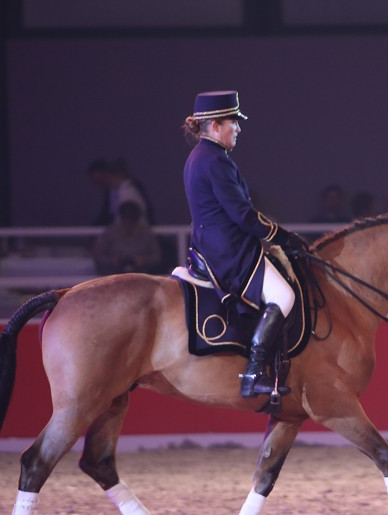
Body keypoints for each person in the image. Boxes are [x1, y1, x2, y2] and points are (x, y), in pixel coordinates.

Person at [182, 90, 307, 398]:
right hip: (228, 249)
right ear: (214, 126)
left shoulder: (200, 157)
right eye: (233, 122)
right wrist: (282, 236)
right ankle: (252, 374)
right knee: (284, 296)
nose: (238, 128)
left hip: (210, 243)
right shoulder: (215, 161)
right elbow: (242, 214)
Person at [93, 201, 162, 275]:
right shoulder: (110, 232)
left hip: (141, 275)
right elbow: (98, 255)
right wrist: (112, 260)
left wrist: (143, 260)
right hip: (114, 276)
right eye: (126, 221)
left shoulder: (146, 233)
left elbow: (157, 256)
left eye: (132, 222)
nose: (129, 226)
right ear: (122, 218)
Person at [88, 157, 155, 226]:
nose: (107, 181)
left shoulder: (127, 193)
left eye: (109, 177)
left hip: (133, 230)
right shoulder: (119, 191)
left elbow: (126, 218)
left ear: (119, 176)